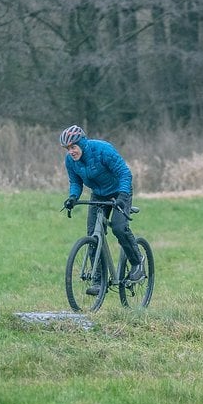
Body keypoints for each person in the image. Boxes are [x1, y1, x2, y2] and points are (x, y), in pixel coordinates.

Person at [59, 125, 144, 292]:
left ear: (82, 143)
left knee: (119, 228)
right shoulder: (70, 161)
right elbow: (76, 182)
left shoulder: (103, 150)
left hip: (120, 191)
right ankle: (98, 281)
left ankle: (137, 263)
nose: (71, 151)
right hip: (98, 195)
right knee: (93, 234)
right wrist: (73, 197)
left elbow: (125, 174)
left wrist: (122, 197)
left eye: (73, 147)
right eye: (67, 148)